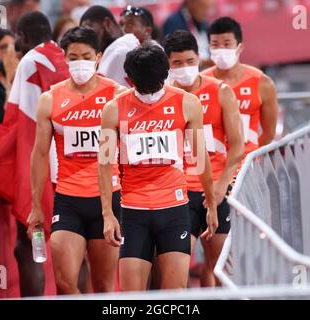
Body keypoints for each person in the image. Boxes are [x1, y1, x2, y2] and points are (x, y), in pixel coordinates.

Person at [0, 11, 69, 297]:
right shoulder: (65, 55)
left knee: (27, 245)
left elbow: (14, 123)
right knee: (73, 249)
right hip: (75, 168)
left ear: (21, 37)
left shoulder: (31, 61)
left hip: (43, 168)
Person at [98, 44, 218, 291]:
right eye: (144, 88)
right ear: (130, 80)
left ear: (165, 76)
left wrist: (211, 203)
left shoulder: (187, 103)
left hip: (174, 209)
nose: (150, 93)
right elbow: (104, 164)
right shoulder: (113, 109)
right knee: (132, 298)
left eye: (155, 87)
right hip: (133, 212)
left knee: (175, 294)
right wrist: (107, 214)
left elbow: (200, 157)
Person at [28, 26, 126, 294]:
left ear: (98, 57)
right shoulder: (50, 99)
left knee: (104, 286)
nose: (79, 63)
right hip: (68, 199)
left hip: (108, 200)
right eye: (73, 57)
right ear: (65, 58)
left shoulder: (116, 95)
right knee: (65, 282)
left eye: (85, 56)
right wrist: (36, 205)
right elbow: (38, 155)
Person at [163, 30, 243, 287]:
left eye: (189, 61)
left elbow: (238, 145)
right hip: (178, 194)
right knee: (176, 269)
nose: (184, 68)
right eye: (177, 63)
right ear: (168, 64)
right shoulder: (162, 96)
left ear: (199, 59)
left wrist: (221, 185)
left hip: (217, 190)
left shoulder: (221, 92)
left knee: (219, 268)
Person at [202, 17, 278, 155]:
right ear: (209, 47)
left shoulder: (263, 83)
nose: (221, 49)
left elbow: (269, 133)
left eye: (227, 44)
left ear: (240, 47)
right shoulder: (200, 82)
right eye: (215, 44)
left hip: (247, 166)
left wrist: (249, 155)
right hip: (213, 164)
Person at [80, 5, 140, 87]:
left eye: (89, 28)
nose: (87, 37)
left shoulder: (121, 51)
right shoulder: (103, 56)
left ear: (107, 23)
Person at [162, 0, 215, 67]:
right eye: (203, 7)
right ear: (190, 2)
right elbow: (172, 56)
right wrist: (203, 62)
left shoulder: (204, 24)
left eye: (208, 8)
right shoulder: (173, 23)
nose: (206, 12)